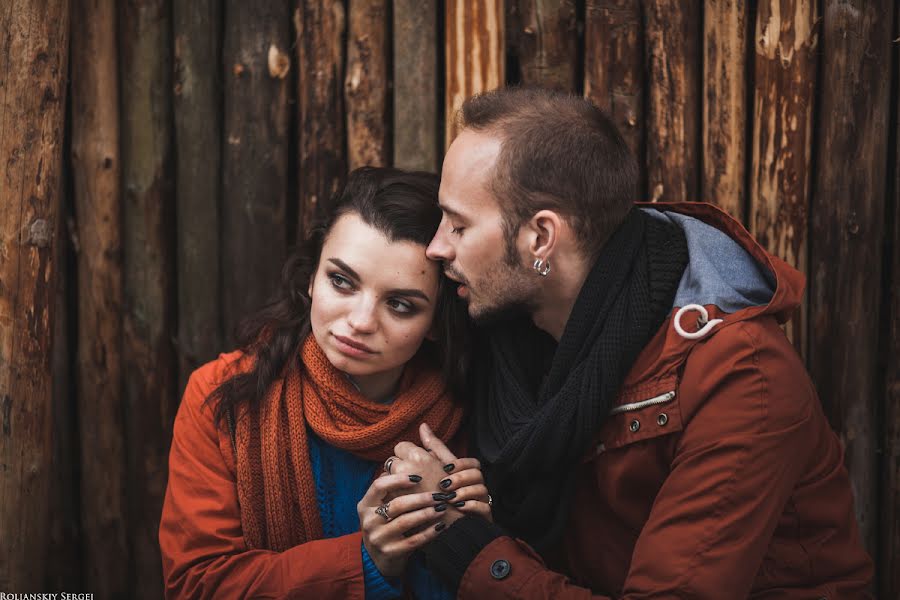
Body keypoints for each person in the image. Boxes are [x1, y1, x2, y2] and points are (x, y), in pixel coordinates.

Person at [387, 87, 874, 598]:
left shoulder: (740, 375)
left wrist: (467, 546)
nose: (437, 246)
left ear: (541, 239)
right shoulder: (514, 335)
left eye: (459, 225)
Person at [159, 167, 490, 599]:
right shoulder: (224, 395)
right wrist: (367, 561)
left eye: (401, 305)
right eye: (341, 281)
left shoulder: (473, 408)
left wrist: (472, 540)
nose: (360, 322)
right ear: (312, 278)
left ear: (434, 323)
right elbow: (196, 585)